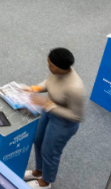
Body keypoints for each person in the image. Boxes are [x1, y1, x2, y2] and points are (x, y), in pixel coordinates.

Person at [23, 48, 85, 189]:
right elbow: (49, 83)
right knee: (38, 140)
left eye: (51, 65)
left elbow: (77, 116)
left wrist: (48, 105)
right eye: (48, 63)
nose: (48, 67)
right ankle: (39, 171)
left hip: (64, 123)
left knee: (49, 152)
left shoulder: (75, 88)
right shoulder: (56, 71)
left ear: (62, 67)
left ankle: (46, 182)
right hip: (48, 110)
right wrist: (35, 88)